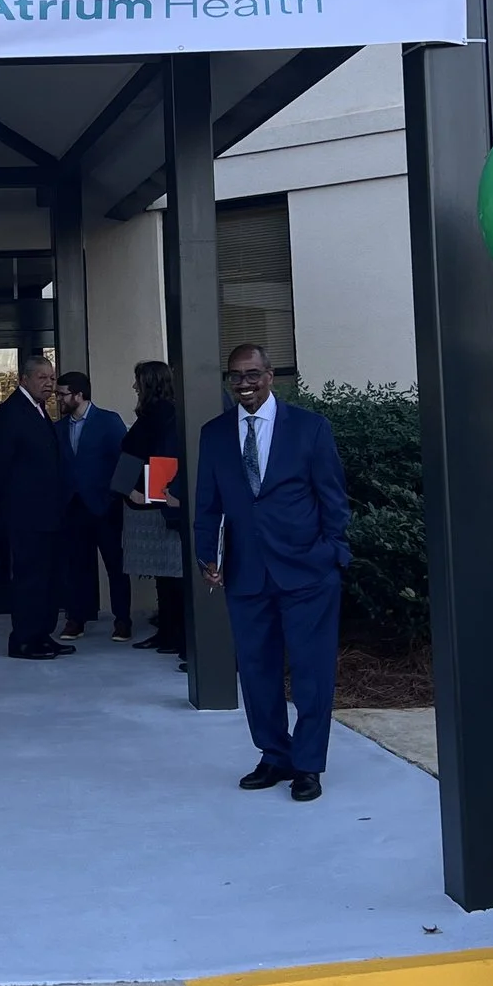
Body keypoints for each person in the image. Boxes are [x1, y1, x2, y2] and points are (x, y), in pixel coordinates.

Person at [193, 343, 352, 804]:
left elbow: (333, 500)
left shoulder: (309, 428)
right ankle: (274, 755)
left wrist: (331, 553)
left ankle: (308, 764)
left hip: (308, 573)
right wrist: (209, 556)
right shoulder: (215, 434)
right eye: (236, 376)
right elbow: (207, 502)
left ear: (270, 376)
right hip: (245, 574)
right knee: (258, 673)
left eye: (253, 375)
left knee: (311, 673)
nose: (244, 384)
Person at [0, 352, 67, 659]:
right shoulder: (12, 412)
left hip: (47, 511)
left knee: (47, 576)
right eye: (42, 378)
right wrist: (4, 505)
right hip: (25, 513)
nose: (49, 383)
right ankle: (23, 639)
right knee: (29, 576)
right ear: (25, 379)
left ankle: (42, 634)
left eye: (52, 378)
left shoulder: (39, 409)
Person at [53, 371, 129, 643]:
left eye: (62, 394)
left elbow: (125, 460)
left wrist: (114, 495)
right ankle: (77, 619)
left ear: (79, 394)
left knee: (115, 565)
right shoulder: (58, 428)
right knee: (77, 566)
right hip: (73, 507)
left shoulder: (108, 421)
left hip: (104, 506)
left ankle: (122, 620)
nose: (58, 399)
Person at [120, 360, 186, 658]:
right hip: (143, 501)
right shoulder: (151, 414)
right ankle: (167, 632)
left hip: (155, 505)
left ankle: (175, 634)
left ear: (149, 383)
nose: (134, 386)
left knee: (172, 573)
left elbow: (165, 458)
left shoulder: (166, 413)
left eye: (138, 381)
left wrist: (147, 494)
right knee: (162, 572)